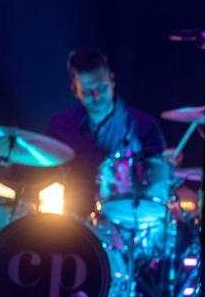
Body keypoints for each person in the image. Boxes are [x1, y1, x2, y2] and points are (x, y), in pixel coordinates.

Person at [47, 48, 167, 218]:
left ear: (112, 80)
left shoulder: (144, 126)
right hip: (74, 222)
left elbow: (157, 180)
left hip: (128, 220)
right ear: (75, 90)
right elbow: (42, 174)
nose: (96, 97)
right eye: (87, 92)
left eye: (101, 88)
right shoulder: (60, 125)